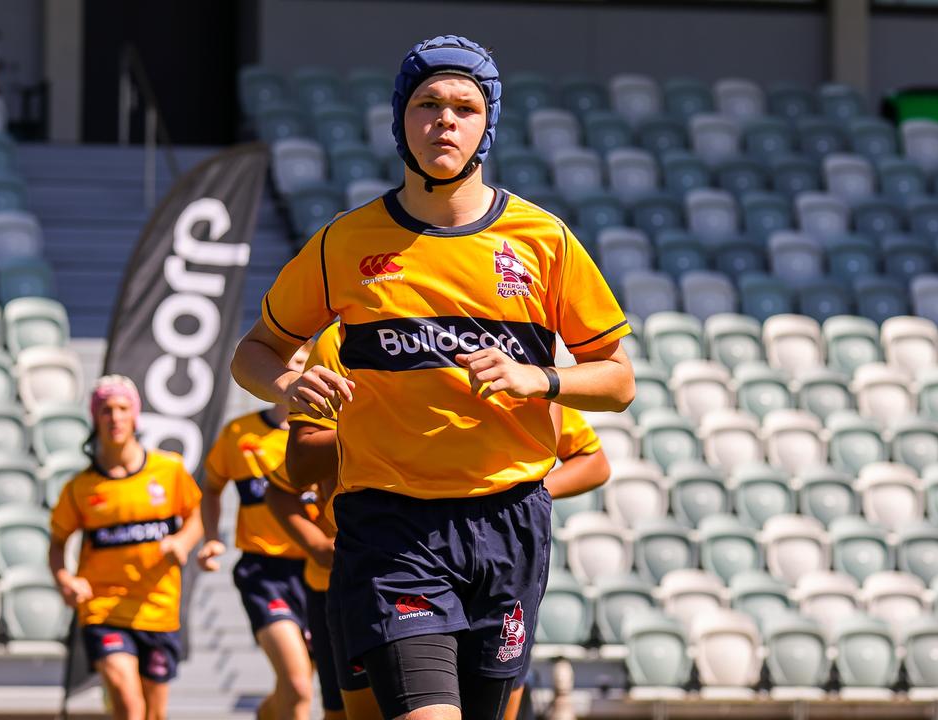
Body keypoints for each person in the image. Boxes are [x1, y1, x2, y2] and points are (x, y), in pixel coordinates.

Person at [230, 33, 634, 720]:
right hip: (392, 527)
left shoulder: (544, 241)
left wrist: (540, 379)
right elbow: (256, 351)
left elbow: (619, 382)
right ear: (400, 121)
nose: (444, 120)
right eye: (427, 104)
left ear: (487, 125)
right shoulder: (343, 242)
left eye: (464, 107)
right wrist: (285, 385)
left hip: (510, 524)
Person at [278, 324, 611, 720]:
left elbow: (588, 454)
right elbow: (296, 468)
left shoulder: (511, 344)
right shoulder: (348, 335)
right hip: (384, 558)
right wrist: (394, 425)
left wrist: (521, 493)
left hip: (500, 557)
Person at [48, 375, 203, 720]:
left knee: (154, 713)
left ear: (135, 415)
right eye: (106, 410)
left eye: (121, 409)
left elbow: (196, 516)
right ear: (95, 417)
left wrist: (182, 541)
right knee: (129, 704)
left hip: (157, 608)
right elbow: (57, 542)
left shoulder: (169, 469)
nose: (114, 417)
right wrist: (64, 579)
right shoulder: (80, 487)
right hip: (104, 609)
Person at [266, 322, 382, 720]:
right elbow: (285, 485)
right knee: (332, 705)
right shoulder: (324, 416)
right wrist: (316, 545)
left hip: (446, 557)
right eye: (295, 363)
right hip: (330, 577)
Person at [197, 344, 317, 720]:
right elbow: (211, 486)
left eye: (303, 363)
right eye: (288, 363)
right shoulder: (240, 433)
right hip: (264, 573)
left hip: (320, 573)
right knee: (298, 686)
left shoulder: (326, 434)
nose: (295, 371)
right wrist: (212, 537)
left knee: (294, 690)